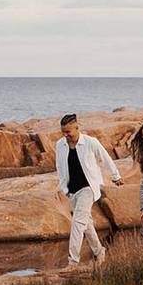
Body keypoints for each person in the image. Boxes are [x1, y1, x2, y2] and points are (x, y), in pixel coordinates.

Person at [55, 113, 123, 268]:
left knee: (77, 222)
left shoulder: (90, 142)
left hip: (89, 188)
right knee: (86, 223)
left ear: (77, 128)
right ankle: (99, 251)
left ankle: (73, 262)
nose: (66, 135)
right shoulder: (60, 144)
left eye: (68, 132)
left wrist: (115, 176)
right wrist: (63, 187)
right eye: (63, 132)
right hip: (72, 190)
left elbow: (105, 158)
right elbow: (59, 166)